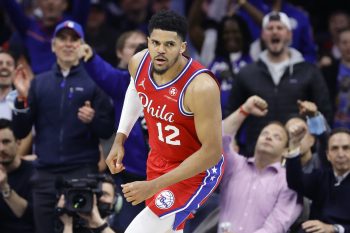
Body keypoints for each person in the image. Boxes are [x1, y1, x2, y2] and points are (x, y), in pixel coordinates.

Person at [105, 10, 224, 233]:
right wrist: (120, 138)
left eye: (169, 44)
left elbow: (212, 152)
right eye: (156, 43)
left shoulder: (201, 87)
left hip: (195, 172)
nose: (160, 50)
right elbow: (135, 88)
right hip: (158, 159)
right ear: (148, 42)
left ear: (182, 47)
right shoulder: (138, 63)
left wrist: (152, 186)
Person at [11, 20, 115, 233]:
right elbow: (21, 131)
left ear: (83, 46)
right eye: (63, 39)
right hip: (45, 175)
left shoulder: (95, 81)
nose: (68, 44)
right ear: (53, 45)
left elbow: (107, 130)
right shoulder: (39, 83)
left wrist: (93, 119)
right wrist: (22, 98)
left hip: (82, 172)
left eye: (74, 39)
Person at [225, 11, 332, 156]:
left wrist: (317, 144)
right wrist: (232, 140)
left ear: (289, 34)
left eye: (279, 28)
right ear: (263, 35)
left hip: (299, 157)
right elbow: (231, 112)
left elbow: (325, 114)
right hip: (257, 155)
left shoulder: (309, 71)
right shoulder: (246, 73)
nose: (274, 31)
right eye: (270, 28)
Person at [78, 31, 148, 232]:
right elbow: (103, 73)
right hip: (131, 180)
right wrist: (90, 57)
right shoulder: (124, 83)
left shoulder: (174, 90)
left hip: (165, 179)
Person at [218, 95, 302, 233]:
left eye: (277, 137)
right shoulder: (236, 165)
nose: (268, 137)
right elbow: (218, 139)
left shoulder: (289, 181)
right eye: (265, 134)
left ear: (286, 151)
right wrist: (245, 109)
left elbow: (276, 226)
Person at [286, 126, 350, 233]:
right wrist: (294, 145)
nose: (340, 154)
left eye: (346, 148)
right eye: (334, 148)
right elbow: (295, 182)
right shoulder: (321, 176)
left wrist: (334, 229)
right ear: (328, 155)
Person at [1, 0, 90, 74]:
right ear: (38, 3)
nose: (50, 2)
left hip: (70, 85)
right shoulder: (28, 28)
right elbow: (10, 5)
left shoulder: (74, 25)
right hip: (37, 88)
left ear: (64, 4)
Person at [0, 118, 35, 233]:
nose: (1, 149)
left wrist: (5, 188)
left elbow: (32, 216)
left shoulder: (34, 172)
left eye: (6, 142)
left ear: (18, 142)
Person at [322, 28, 350, 128]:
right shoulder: (329, 70)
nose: (348, 46)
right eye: (344, 42)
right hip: (336, 127)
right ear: (338, 45)